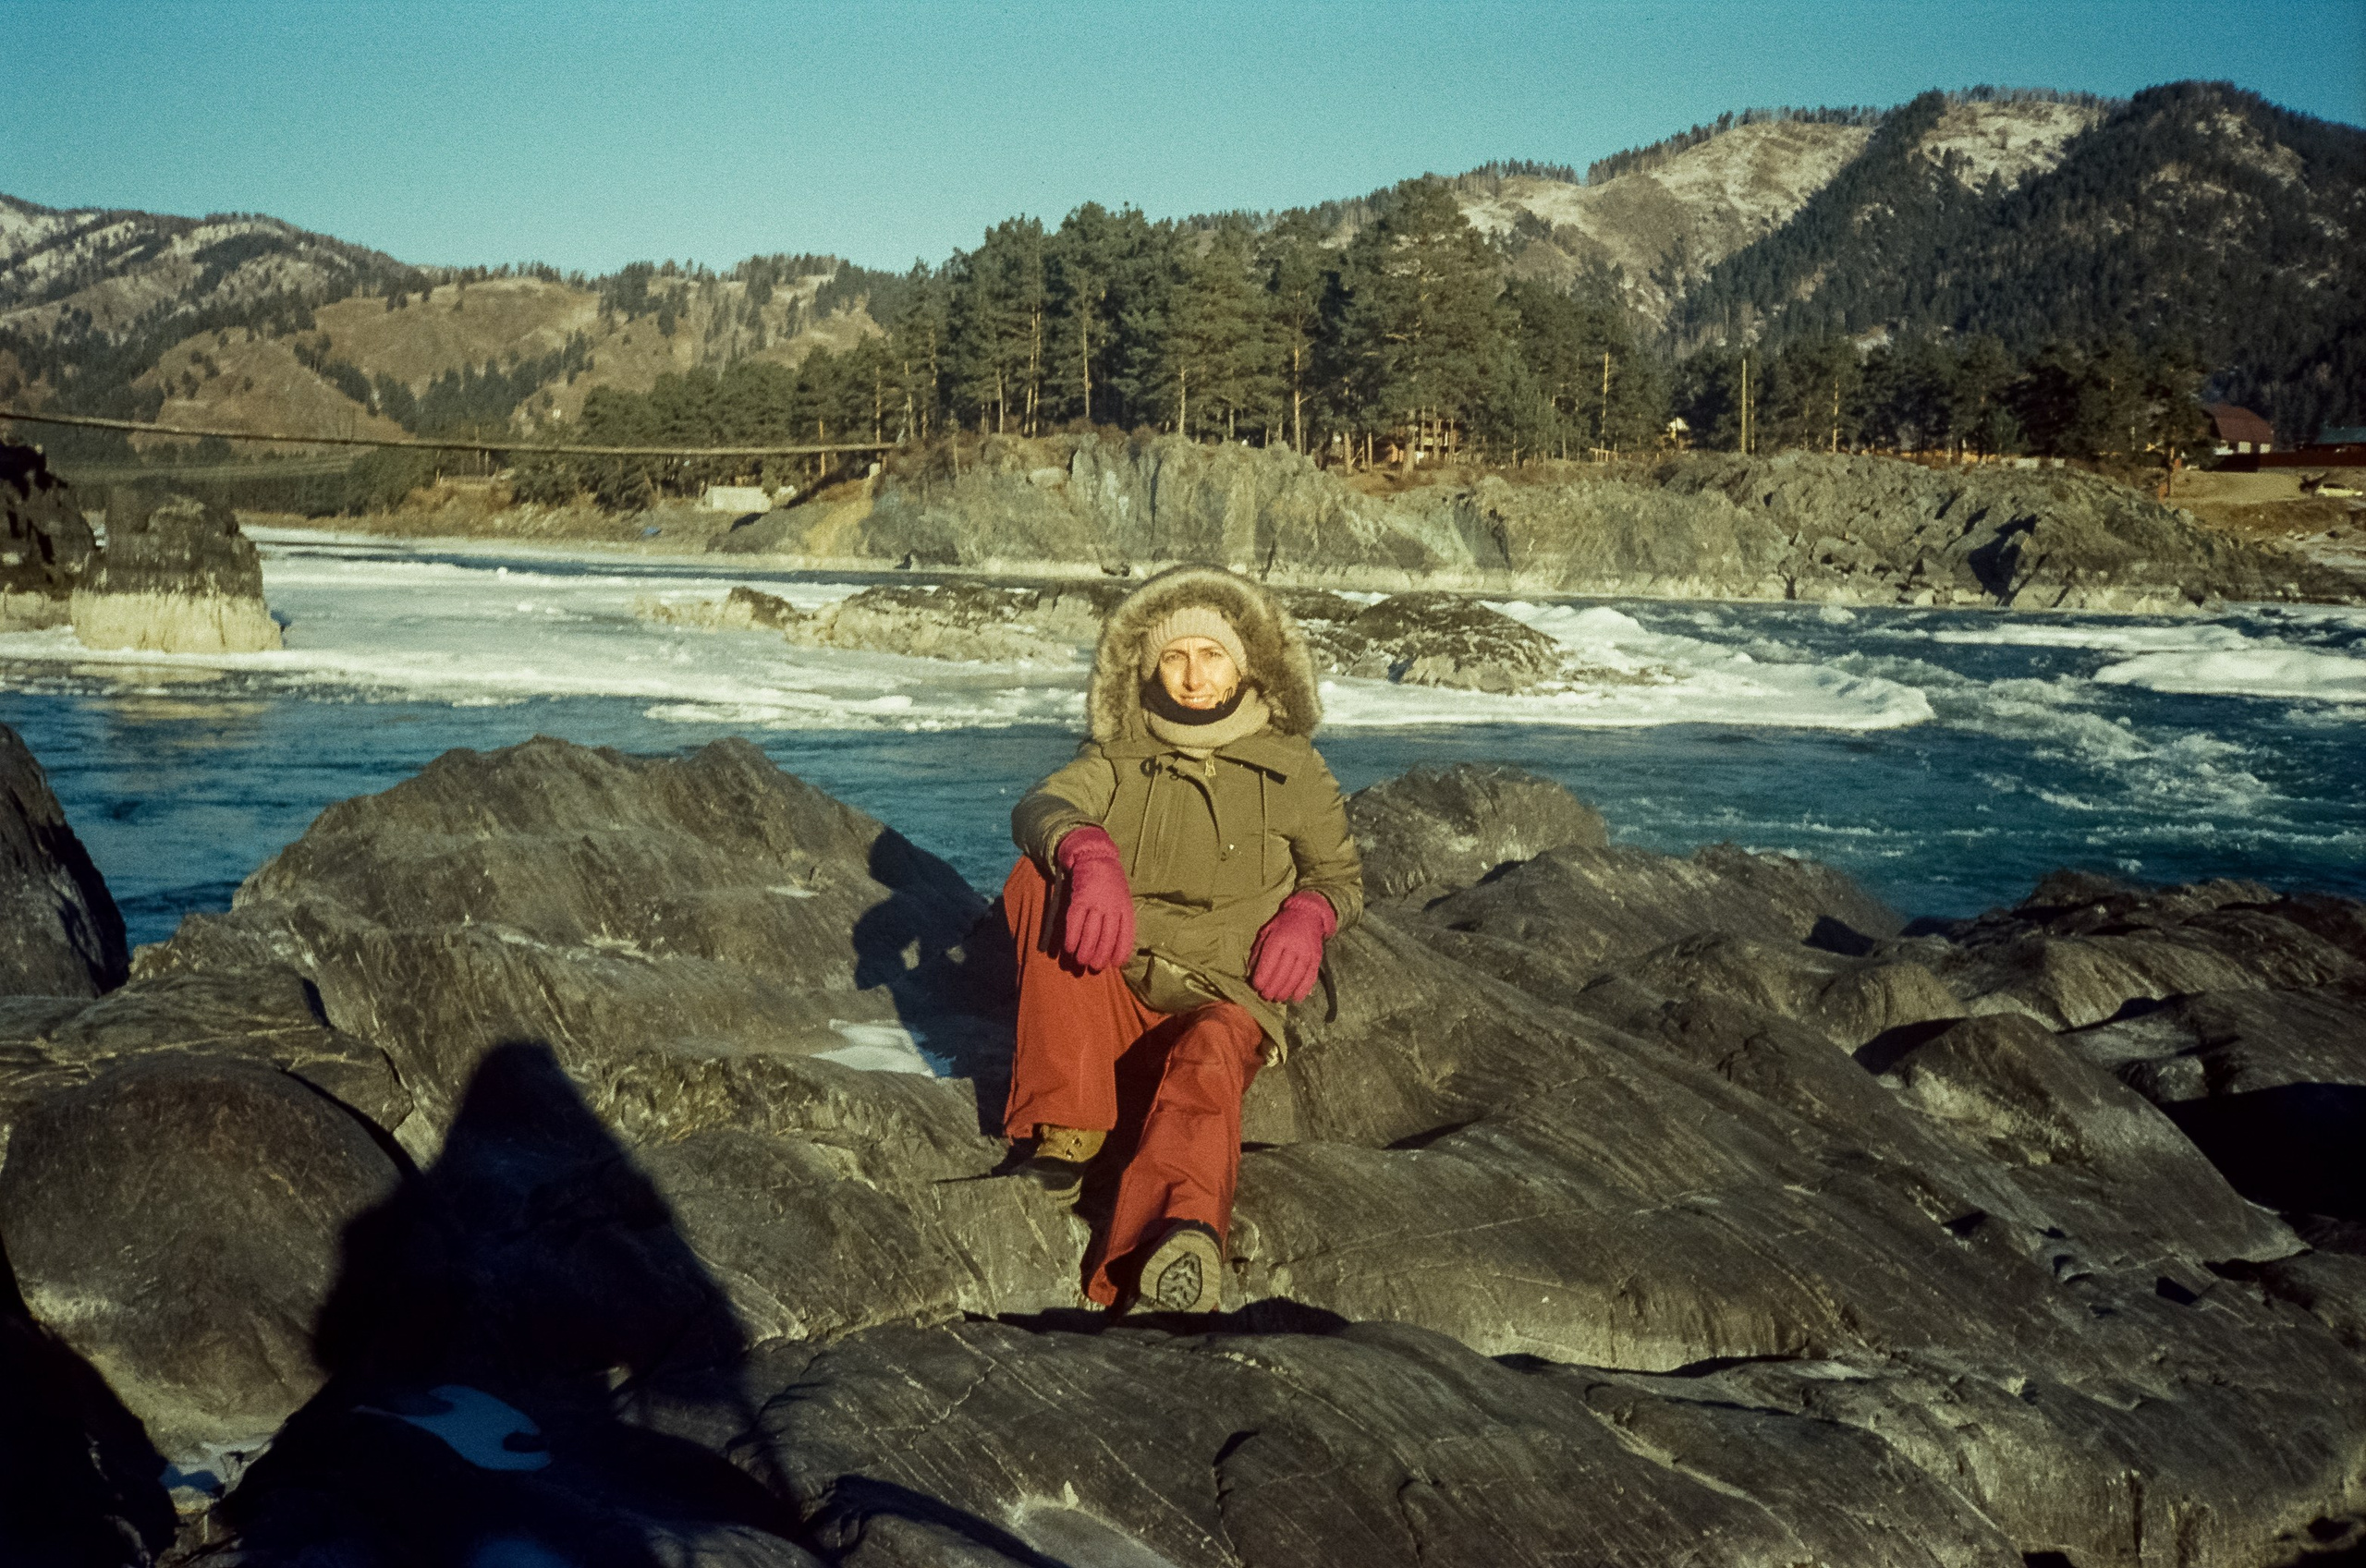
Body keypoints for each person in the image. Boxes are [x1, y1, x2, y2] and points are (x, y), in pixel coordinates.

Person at [1001, 565, 1362, 1313]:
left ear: (1245, 665)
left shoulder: (1294, 766)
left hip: (1223, 990)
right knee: (1037, 879)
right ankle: (1067, 1130)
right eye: (1174, 657)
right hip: (1120, 980)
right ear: (1149, 664)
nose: (1194, 677)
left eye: (1212, 657)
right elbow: (1045, 802)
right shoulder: (1119, 753)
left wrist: (1311, 915)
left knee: (1207, 1067)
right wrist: (1087, 850)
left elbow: (1339, 876)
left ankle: (1176, 1234)